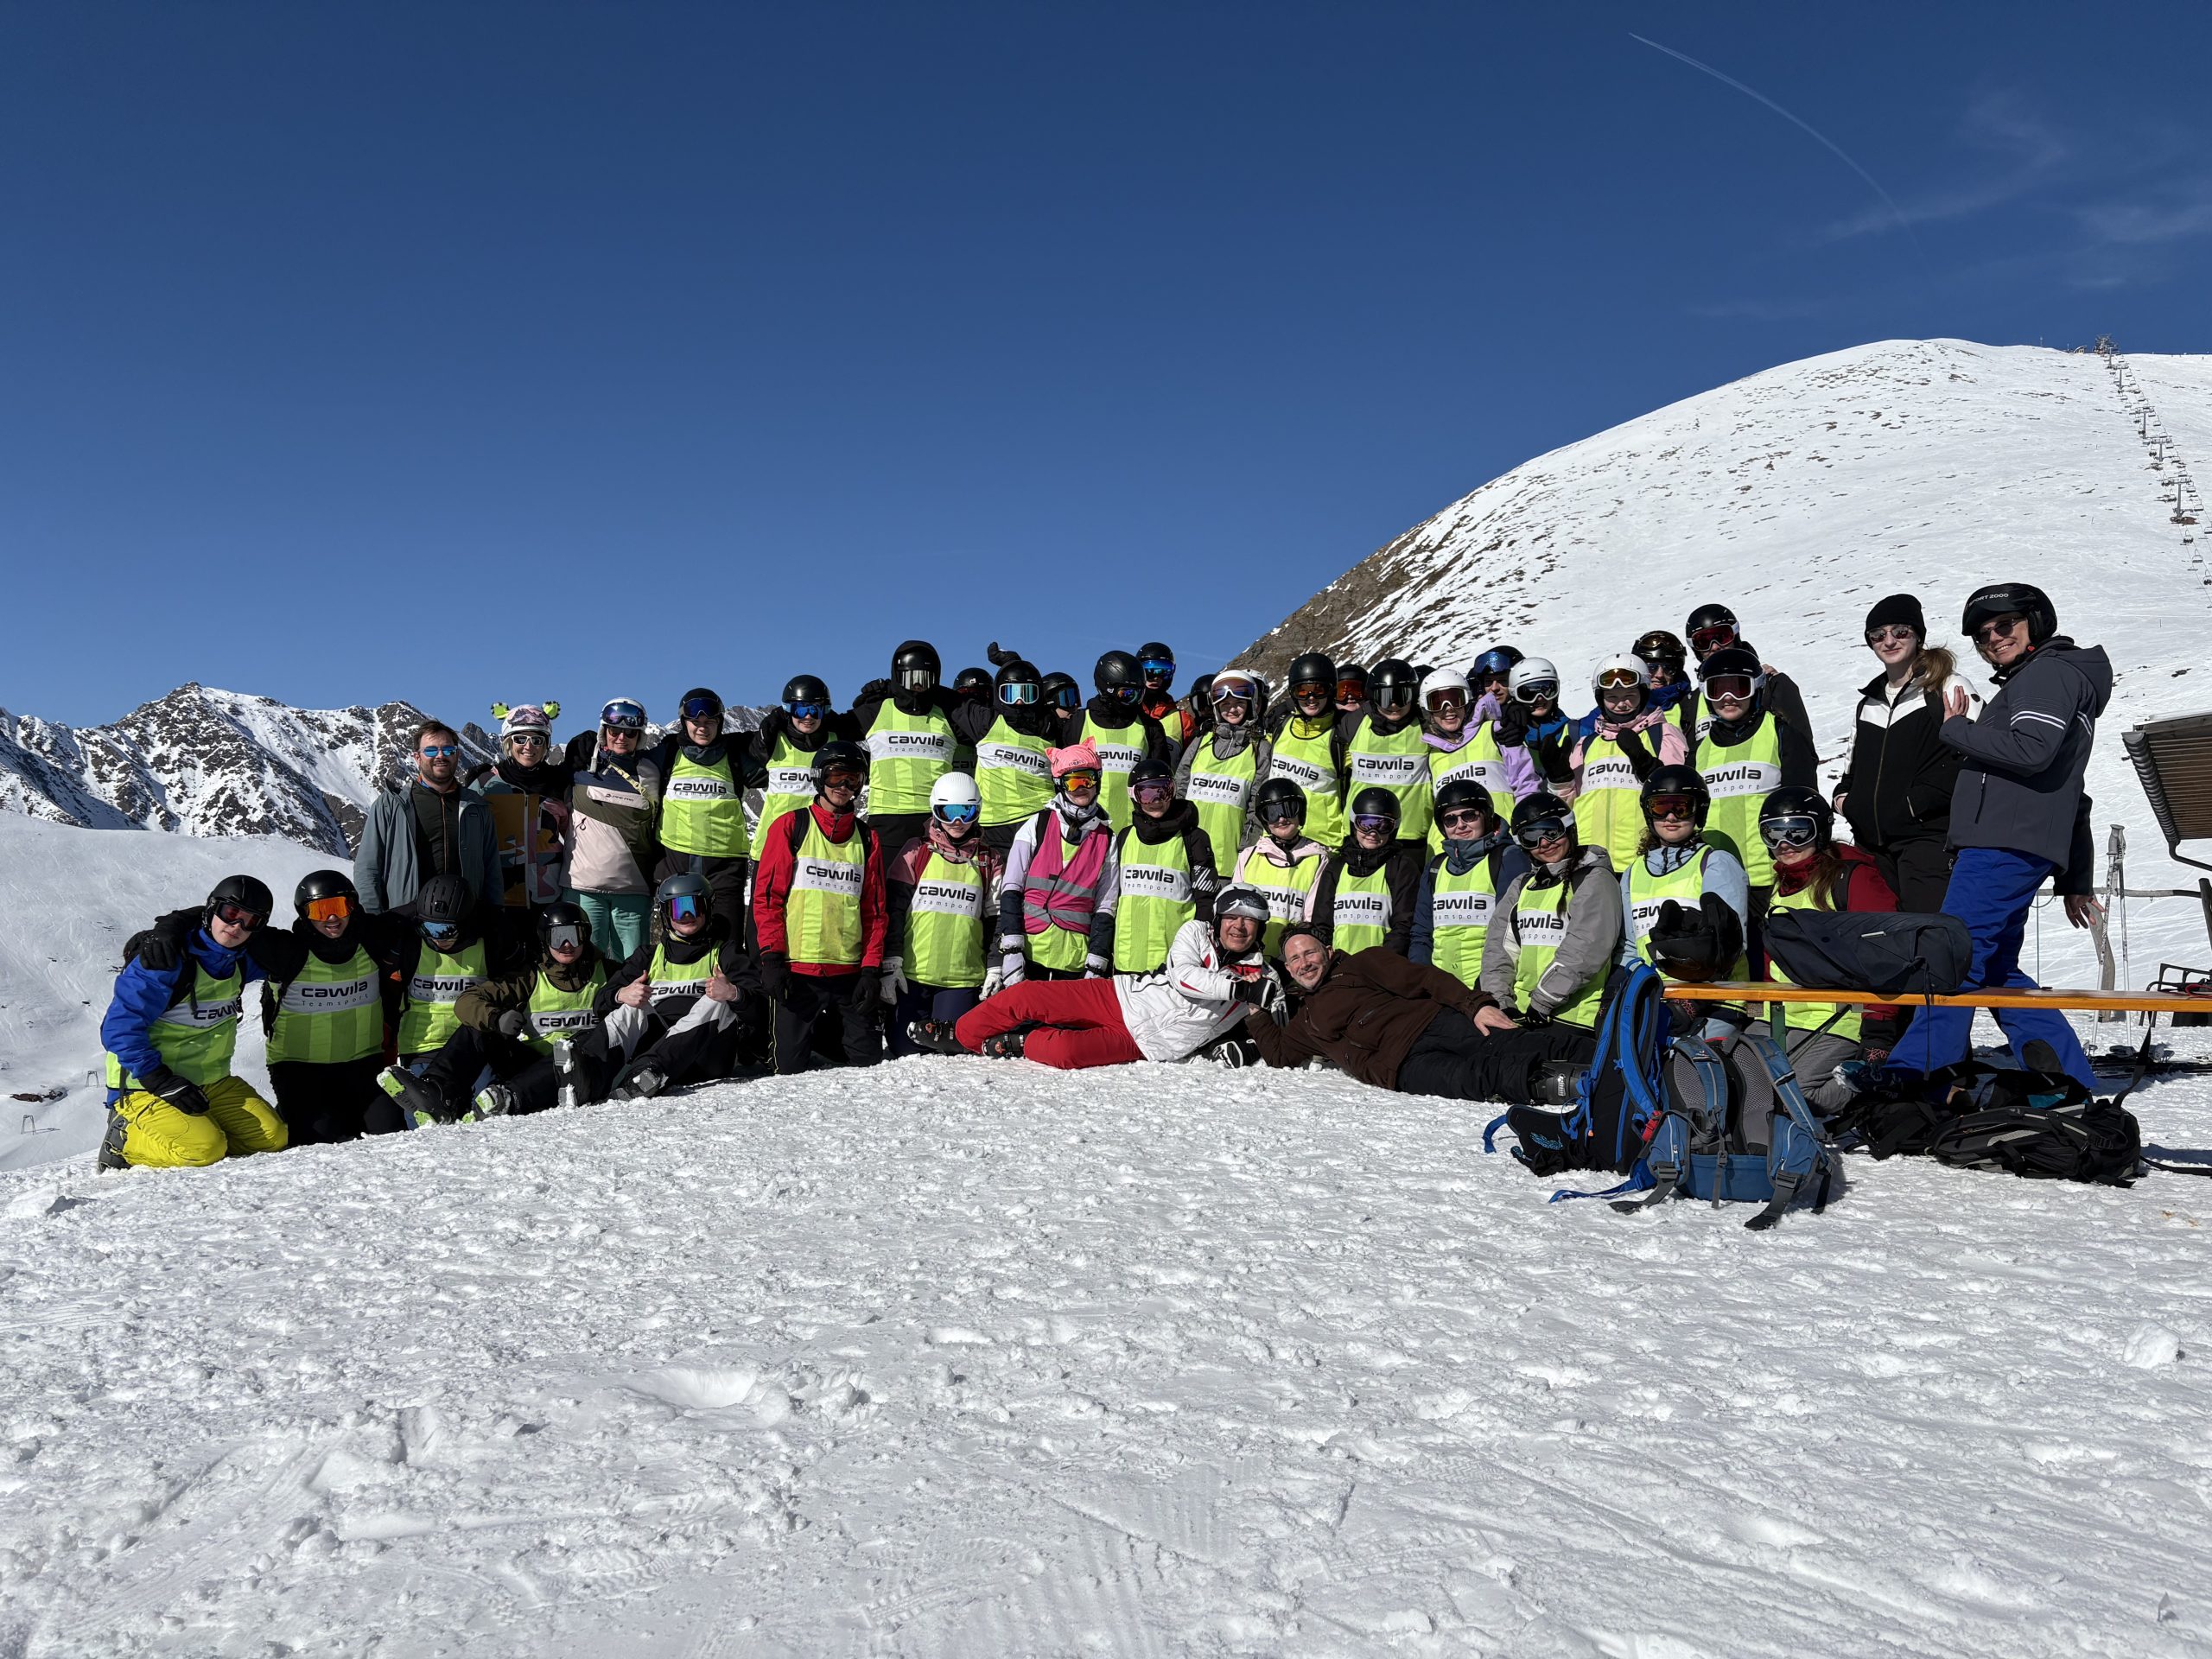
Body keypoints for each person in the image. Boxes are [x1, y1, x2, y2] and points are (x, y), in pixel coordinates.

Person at [1891, 583, 2110, 1090]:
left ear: (2034, 621)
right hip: (2016, 842)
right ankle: (2069, 1080)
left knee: (1953, 959)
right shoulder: (2050, 677)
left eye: (2004, 625)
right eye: (1981, 634)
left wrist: (1957, 729)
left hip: (2003, 845)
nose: (1992, 638)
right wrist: (2077, 872)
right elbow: (2071, 792)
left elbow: (2031, 750)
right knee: (1994, 972)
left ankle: (1912, 1079)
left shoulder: (2047, 675)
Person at [915, 887, 1280, 1068]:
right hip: (1121, 997)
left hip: (1151, 1045)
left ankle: (1018, 1043)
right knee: (1026, 997)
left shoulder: (1265, 977)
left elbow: (1282, 1032)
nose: (1240, 926)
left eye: (1249, 920)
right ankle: (962, 1035)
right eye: (1232, 917)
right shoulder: (1196, 932)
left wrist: (1247, 1049)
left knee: (1065, 1053)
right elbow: (1184, 977)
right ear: (1218, 919)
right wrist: (1241, 990)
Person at [1244, 926, 1595, 1103]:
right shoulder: (1305, 1022)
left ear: (1328, 951)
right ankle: (1572, 1085)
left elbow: (1425, 978)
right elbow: (1278, 1055)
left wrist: (1475, 1005)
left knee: (1511, 1042)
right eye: (1295, 959)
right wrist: (1255, 1009)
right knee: (1473, 1080)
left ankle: (1604, 1057)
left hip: (1431, 1025)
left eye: (1310, 953)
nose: (1304, 963)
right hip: (1401, 1069)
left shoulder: (1361, 963)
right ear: (1288, 969)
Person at [98, 875, 289, 1170]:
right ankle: (123, 1139)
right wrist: (159, 1080)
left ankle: (200, 1132)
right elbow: (119, 1028)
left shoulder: (240, 960)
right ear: (212, 910)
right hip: (146, 1085)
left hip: (211, 1082)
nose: (237, 926)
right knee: (202, 1151)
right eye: (231, 914)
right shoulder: (166, 959)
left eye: (251, 921)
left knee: (271, 1138)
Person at [397, 899, 610, 1121]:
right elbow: (467, 1001)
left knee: (575, 1048)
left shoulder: (609, 973)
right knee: (479, 1027)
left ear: (587, 936)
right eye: (558, 937)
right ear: (545, 940)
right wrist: (497, 1018)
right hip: (531, 1064)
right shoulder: (529, 977)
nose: (568, 944)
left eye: (576, 935)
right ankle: (437, 1091)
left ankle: (506, 1099)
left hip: (583, 1071)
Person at [749, 738, 889, 1074]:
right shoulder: (791, 826)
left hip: (849, 974)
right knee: (788, 1070)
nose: (843, 786)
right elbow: (768, 899)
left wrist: (870, 970)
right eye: (836, 776)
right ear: (819, 778)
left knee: (868, 1066)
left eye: (853, 779)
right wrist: (771, 957)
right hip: (799, 973)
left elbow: (875, 911)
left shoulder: (867, 838)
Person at [1757, 787, 1902, 1097]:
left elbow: (1885, 952)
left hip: (1838, 1020)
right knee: (1746, 1086)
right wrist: (1756, 1010)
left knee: (1797, 1096)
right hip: (1782, 1017)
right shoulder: (1780, 887)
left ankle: (1879, 1088)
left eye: (1797, 832)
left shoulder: (1851, 879)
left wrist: (1879, 1032)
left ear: (1819, 831)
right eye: (1773, 835)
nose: (1784, 845)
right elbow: (1773, 966)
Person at [1834, 594, 1972, 912]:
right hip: (1873, 846)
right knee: (1885, 944)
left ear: (1918, 635)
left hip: (1927, 842)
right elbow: (1851, 769)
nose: (1889, 641)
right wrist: (1846, 800)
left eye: (1900, 631)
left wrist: (1915, 804)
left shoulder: (1946, 687)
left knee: (1929, 938)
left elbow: (1974, 758)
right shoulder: (1868, 703)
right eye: (1878, 635)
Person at [1691, 644, 1818, 950]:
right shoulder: (1700, 749)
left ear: (1757, 688)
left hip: (1773, 874)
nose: (1728, 698)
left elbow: (1805, 802)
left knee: (1778, 959)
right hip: (1718, 877)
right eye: (1717, 689)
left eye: (1739, 687)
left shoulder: (1780, 732)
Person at [257, 871, 396, 1145]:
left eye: (340, 907)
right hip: (300, 1071)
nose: (332, 918)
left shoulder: (370, 938)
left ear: (353, 907)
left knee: (391, 1134)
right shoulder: (286, 950)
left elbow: (418, 911)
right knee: (324, 1143)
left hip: (363, 1066)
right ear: (304, 913)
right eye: (321, 910)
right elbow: (229, 925)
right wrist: (173, 927)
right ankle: (290, 1113)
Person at [589, 872, 755, 1100]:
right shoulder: (648, 956)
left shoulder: (725, 953)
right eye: (678, 909)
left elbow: (761, 1006)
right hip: (653, 1050)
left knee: (717, 1000)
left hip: (706, 1058)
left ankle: (650, 1071)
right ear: (665, 914)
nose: (687, 915)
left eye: (694, 907)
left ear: (707, 909)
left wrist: (734, 994)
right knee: (631, 1006)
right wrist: (621, 994)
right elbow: (600, 1002)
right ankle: (588, 1067)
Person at [1617, 764, 1751, 1039]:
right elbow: (1630, 948)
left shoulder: (1715, 863)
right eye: (1659, 807)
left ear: (1698, 810)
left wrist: (1693, 1001)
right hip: (1656, 1002)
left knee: (1687, 1073)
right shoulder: (1634, 873)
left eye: (1681, 807)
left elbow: (1731, 944)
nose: (1670, 817)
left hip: (1714, 1002)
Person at [884, 773, 1006, 1058]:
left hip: (961, 979)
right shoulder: (917, 852)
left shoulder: (989, 860)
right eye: (948, 812)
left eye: (967, 812)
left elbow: (997, 919)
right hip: (912, 975)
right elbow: (894, 911)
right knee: (905, 1047)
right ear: (935, 810)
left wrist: (995, 966)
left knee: (953, 1050)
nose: (958, 821)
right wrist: (890, 961)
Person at [375, 872, 524, 1104]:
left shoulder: (490, 941)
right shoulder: (409, 943)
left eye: (446, 931)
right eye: (428, 928)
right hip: (422, 1047)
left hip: (475, 1046)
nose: (437, 939)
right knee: (423, 1116)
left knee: (485, 1110)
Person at [1481, 791, 1621, 1031]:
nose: (1544, 843)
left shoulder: (1594, 879)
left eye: (1551, 831)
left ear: (1569, 829)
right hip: (1520, 1015)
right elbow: (1499, 949)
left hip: (1572, 1018)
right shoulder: (1522, 885)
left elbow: (1585, 948)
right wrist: (1500, 1001)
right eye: (1531, 837)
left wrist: (1543, 1001)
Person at [649, 687, 766, 944]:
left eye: (710, 722)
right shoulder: (668, 754)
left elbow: (780, 774)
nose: (703, 728)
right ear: (684, 723)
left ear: (720, 723)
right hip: (677, 863)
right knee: (681, 943)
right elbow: (629, 764)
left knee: (728, 944)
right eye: (695, 722)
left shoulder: (735, 756)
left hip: (724, 867)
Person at [998, 740, 1116, 983]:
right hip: (1030, 955)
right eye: (1072, 781)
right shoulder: (1037, 825)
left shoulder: (1108, 838)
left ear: (1098, 781)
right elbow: (1011, 888)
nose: (1080, 787)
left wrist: (1097, 961)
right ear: (1060, 785)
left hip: (1073, 960)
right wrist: (1012, 950)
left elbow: (1106, 905)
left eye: (1087, 779)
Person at [355, 719, 500, 914]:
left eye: (448, 750)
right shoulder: (391, 805)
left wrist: (495, 917)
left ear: (457, 755)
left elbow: (492, 869)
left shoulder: (477, 807)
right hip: (405, 923)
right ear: (417, 757)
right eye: (431, 751)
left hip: (464, 922)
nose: (440, 756)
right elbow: (368, 868)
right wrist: (373, 921)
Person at [1564, 655, 1688, 875]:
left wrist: (1647, 765)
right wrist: (1558, 779)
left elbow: (1677, 793)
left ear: (1643, 693)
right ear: (1600, 698)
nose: (1621, 703)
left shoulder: (1662, 734)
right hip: (1589, 862)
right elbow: (1568, 802)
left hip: (1642, 860)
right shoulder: (1587, 744)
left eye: (1629, 695)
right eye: (1612, 697)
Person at [1096, 757, 1218, 974]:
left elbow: (1206, 902)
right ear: (1134, 796)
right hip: (1126, 959)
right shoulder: (1125, 837)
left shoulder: (1194, 838)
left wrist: (1197, 952)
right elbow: (1110, 897)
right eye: (1146, 793)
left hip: (1175, 961)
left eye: (1163, 791)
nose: (1155, 800)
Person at [561, 697, 661, 962]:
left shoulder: (651, 770)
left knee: (633, 966)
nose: (621, 738)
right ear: (604, 730)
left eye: (630, 733)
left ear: (639, 736)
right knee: (584, 964)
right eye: (614, 731)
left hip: (633, 888)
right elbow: (539, 780)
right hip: (582, 886)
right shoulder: (580, 764)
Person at [1410, 779, 1526, 991]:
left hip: (1488, 989)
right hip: (1440, 990)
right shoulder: (1436, 866)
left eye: (1469, 816)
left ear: (1487, 816)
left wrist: (1491, 988)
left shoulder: (1507, 858)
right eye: (1450, 820)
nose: (1460, 825)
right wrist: (1421, 981)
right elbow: (1422, 933)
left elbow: (1513, 932)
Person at [849, 640, 960, 854]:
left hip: (936, 817)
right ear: (898, 676)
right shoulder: (878, 710)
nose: (917, 686)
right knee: (887, 886)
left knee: (934, 885)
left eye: (925, 679)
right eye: (910, 678)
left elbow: (994, 725)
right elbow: (829, 730)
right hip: (888, 818)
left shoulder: (947, 714)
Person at [467, 702, 575, 910]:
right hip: (498, 898)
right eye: (520, 739)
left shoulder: (561, 785)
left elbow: (576, 837)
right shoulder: (486, 784)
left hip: (549, 897)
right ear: (508, 742)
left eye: (537, 739)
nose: (529, 746)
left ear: (546, 745)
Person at [1175, 668, 1270, 873]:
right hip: (1186, 856)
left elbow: (1256, 809)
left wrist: (1246, 853)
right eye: (1225, 704)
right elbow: (1180, 792)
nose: (1232, 710)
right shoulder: (1202, 743)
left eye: (1239, 703)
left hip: (1228, 863)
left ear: (1251, 704)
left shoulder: (1260, 749)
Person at [1313, 786, 1425, 956]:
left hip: (1381, 968)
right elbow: (1322, 923)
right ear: (1353, 823)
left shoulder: (1402, 867)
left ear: (1394, 828)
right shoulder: (1337, 866)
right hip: (1338, 967)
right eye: (1365, 824)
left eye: (1383, 826)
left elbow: (1404, 925)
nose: (1373, 833)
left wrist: (1379, 963)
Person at [1066, 651, 1173, 830]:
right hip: (1087, 829)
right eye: (1127, 694)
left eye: (1139, 694)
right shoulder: (1078, 723)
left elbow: (1161, 780)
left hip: (1133, 831)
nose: (1134, 701)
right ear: (1106, 689)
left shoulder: (1149, 727)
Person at [1683, 603, 1815, 744]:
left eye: (1722, 636)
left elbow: (1802, 747)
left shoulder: (1771, 685)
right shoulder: (1694, 701)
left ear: (1735, 636)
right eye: (1703, 641)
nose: (1715, 646)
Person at [1263, 652, 1352, 851]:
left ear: (1331, 691)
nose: (1311, 698)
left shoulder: (1339, 737)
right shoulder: (1281, 727)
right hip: (1276, 839)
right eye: (1303, 691)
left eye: (1319, 690)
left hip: (1322, 844)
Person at [1233, 776, 1332, 956]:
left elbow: (1311, 918)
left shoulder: (1317, 859)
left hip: (1292, 958)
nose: (1281, 818)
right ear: (1264, 820)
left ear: (1300, 812)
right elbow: (1235, 910)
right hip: (1250, 956)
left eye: (1289, 809)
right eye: (1271, 813)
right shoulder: (1249, 856)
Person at [1343, 658, 1434, 843]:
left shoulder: (1426, 726)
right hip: (1362, 833)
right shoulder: (1354, 723)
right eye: (1385, 698)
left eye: (1402, 697)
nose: (1394, 705)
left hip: (1411, 836)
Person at [972, 658, 1059, 852]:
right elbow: (950, 702)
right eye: (1010, 694)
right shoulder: (987, 722)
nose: (1019, 701)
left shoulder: (1049, 727)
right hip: (995, 825)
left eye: (1028, 694)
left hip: (1039, 820)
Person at [1420, 667, 1512, 850]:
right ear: (1427, 710)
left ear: (1467, 700)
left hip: (1501, 842)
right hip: (1450, 853)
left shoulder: (1494, 732)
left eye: (1455, 699)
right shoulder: (1431, 755)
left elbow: (1526, 784)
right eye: (1437, 702)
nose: (1448, 709)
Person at [754, 674, 851, 842]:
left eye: (815, 710)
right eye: (801, 709)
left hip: (817, 846)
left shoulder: (836, 744)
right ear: (788, 710)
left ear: (825, 711)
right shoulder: (774, 741)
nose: (808, 717)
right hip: (772, 843)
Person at [1497, 657, 1577, 800]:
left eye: (1547, 690)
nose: (1539, 698)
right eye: (1528, 693)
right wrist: (1503, 712)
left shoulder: (1576, 731)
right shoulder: (1507, 734)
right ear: (1515, 695)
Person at [1632, 629, 1698, 738]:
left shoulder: (1692, 706)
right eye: (1651, 667)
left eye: (1669, 668)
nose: (1660, 675)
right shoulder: (1618, 708)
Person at [1135, 640, 1195, 747]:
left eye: (1164, 671)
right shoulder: (1124, 712)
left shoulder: (1183, 721)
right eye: (1149, 670)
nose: (1156, 677)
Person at [1039, 671, 1084, 741]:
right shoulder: (1041, 740)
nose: (1075, 705)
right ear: (1049, 704)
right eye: (1067, 699)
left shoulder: (1081, 733)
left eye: (1076, 697)